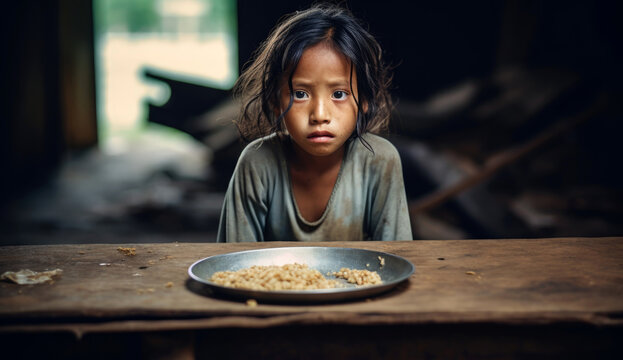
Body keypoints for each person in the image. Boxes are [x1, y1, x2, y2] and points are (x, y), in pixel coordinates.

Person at [216, 3, 412, 241]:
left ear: (364, 101)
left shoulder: (379, 161)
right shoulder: (257, 163)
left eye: (339, 94)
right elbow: (233, 266)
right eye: (300, 94)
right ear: (275, 101)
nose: (320, 115)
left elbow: (395, 259)